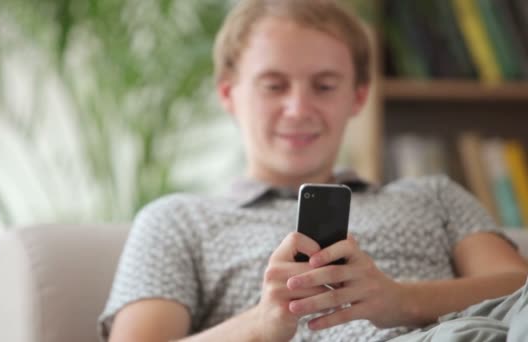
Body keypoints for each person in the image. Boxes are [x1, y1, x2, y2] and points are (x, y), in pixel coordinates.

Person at [98, 0, 528, 341]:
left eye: (324, 86)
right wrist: (262, 325)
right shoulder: (177, 220)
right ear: (229, 95)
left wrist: (401, 300)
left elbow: (517, 286)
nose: (299, 109)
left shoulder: (434, 196)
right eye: (274, 86)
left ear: (357, 97)